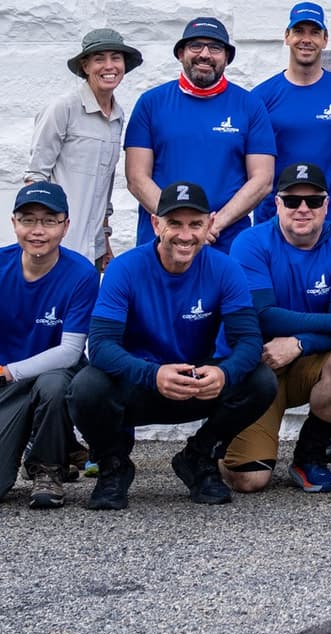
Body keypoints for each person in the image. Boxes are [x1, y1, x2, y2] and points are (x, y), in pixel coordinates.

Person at [67, 181, 276, 509]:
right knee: (86, 387)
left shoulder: (225, 268)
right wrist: (153, 375)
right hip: (140, 382)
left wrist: (223, 374)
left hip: (195, 383)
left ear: (209, 224)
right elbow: (101, 346)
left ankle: (200, 457)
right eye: (174, 223)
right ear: (156, 224)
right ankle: (113, 466)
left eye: (195, 224)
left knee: (260, 380)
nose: (185, 235)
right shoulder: (124, 268)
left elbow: (249, 340)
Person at [222, 162, 331, 494]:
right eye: (292, 200)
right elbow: (262, 315)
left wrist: (299, 343)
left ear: (326, 205)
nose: (303, 209)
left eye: (313, 201)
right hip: (259, 366)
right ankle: (216, 445)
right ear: (277, 204)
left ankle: (309, 456)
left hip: (306, 363)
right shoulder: (250, 242)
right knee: (249, 480)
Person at [0, 182, 99, 508]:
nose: (38, 230)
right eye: (28, 220)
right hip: (4, 383)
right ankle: (56, 442)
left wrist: (1, 373)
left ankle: (47, 468)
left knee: (53, 385)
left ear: (65, 226)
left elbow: (69, 351)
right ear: (14, 223)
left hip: (52, 373)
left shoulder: (81, 274)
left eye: (49, 221)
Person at [123, 16, 275, 252]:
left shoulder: (250, 106)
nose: (205, 54)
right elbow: (136, 177)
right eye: (196, 46)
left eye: (215, 48)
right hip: (162, 243)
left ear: (227, 57)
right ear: (180, 53)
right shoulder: (150, 103)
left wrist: (212, 226)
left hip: (226, 243)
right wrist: (178, 225)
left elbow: (262, 180)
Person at [251, 2, 331, 231]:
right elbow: (245, 163)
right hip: (272, 225)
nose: (306, 39)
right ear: (287, 36)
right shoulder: (260, 97)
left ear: (325, 39)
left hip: (330, 225)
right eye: (299, 31)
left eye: (315, 32)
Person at [25, 27, 141, 265]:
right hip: (60, 249)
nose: (109, 66)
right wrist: (43, 241)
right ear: (85, 66)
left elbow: (104, 187)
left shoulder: (118, 116)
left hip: (94, 249)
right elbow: (35, 180)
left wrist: (105, 241)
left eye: (116, 58)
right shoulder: (63, 108)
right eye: (99, 59)